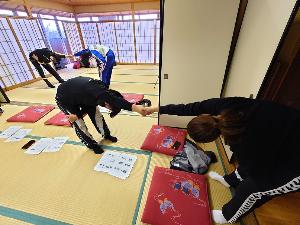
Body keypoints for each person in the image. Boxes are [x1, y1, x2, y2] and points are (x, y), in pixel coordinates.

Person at [143, 97, 300, 224]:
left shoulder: (242, 144)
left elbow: (258, 171)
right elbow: (187, 107)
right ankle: (229, 180)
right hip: (288, 126)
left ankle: (228, 216)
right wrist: (155, 108)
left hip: (294, 164)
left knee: (252, 188)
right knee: (247, 167)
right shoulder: (222, 105)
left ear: (212, 139)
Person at [55, 76, 145, 154]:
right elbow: (88, 107)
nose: (108, 109)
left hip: (79, 94)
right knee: (79, 123)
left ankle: (106, 135)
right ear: (108, 103)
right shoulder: (97, 94)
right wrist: (77, 116)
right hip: (65, 99)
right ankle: (91, 144)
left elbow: (92, 105)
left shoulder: (104, 91)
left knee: (97, 115)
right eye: (110, 109)